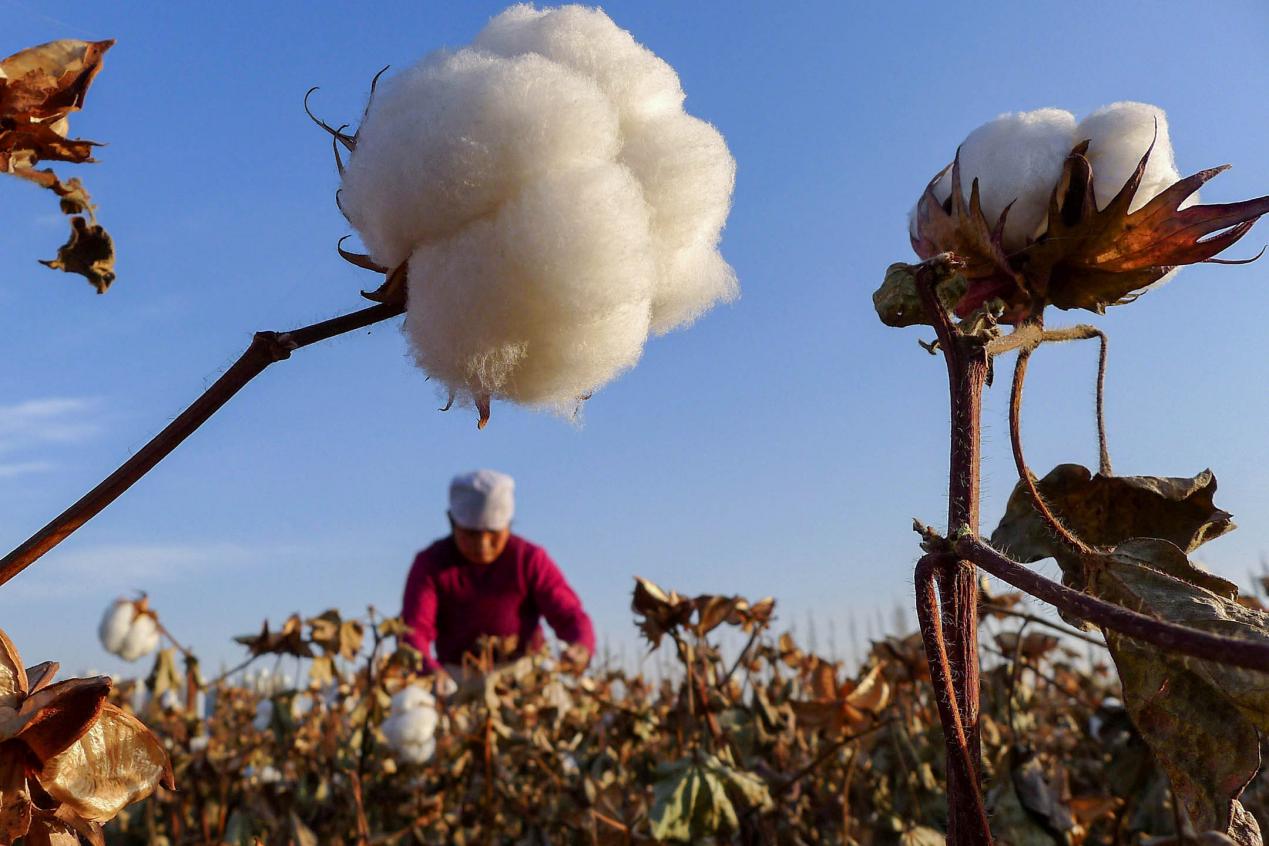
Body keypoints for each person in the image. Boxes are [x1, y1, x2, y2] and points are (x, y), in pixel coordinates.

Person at [401, 470, 595, 677]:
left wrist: (580, 646)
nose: (483, 545)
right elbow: (414, 630)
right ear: (452, 522)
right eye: (471, 534)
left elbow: (568, 614)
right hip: (456, 679)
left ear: (508, 526)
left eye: (493, 533)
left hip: (524, 676)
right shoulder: (431, 563)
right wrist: (430, 672)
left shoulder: (528, 559)